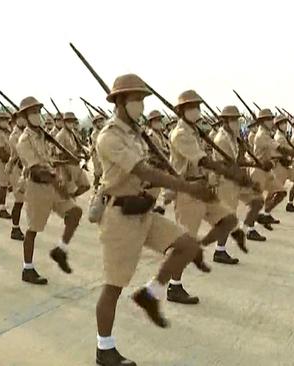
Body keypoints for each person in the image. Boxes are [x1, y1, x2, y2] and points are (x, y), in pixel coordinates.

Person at [93, 74, 214, 365]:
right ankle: (104, 349)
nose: (141, 105)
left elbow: (150, 167)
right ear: (120, 102)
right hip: (120, 216)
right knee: (114, 286)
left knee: (188, 245)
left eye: (142, 99)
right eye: (135, 99)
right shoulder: (108, 136)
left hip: (144, 211)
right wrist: (185, 186)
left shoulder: (135, 134)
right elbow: (142, 172)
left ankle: (152, 293)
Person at [169, 89, 246, 303]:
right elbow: (201, 160)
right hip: (189, 191)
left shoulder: (194, 132)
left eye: (198, 107)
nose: (197, 111)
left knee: (228, 218)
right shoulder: (181, 134)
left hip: (203, 189)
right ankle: (173, 286)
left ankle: (213, 249)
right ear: (183, 111)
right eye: (193, 107)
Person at [16, 96, 83, 285]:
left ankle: (60, 250)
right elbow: (36, 168)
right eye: (32, 113)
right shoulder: (24, 140)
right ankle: (27, 269)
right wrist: (56, 180)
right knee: (33, 230)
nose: (37, 115)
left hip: (52, 184)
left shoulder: (42, 136)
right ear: (25, 117)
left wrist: (66, 162)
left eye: (38, 111)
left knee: (75, 212)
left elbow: (48, 160)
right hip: (37, 187)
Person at [214, 105, 267, 242]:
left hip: (237, 179)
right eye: (233, 120)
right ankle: (219, 250)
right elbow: (231, 164)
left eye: (237, 119)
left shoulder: (232, 137)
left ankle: (249, 229)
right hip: (226, 181)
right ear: (225, 121)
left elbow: (239, 161)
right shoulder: (221, 140)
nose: (236, 122)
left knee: (257, 201)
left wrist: (249, 158)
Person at [55, 112, 91, 198]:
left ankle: (70, 198)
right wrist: (64, 172)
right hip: (67, 166)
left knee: (86, 185)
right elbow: (59, 155)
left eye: (72, 121)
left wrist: (84, 153)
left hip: (76, 165)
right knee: (69, 191)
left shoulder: (72, 134)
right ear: (64, 122)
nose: (71, 123)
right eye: (68, 121)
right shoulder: (61, 135)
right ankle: (69, 200)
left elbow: (77, 148)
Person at [7, 113, 27, 241]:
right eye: (21, 118)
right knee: (19, 201)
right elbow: (21, 152)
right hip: (17, 169)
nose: (24, 120)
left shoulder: (26, 133)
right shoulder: (14, 136)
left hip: (24, 169)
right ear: (16, 120)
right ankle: (15, 228)